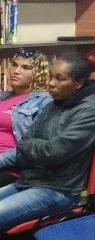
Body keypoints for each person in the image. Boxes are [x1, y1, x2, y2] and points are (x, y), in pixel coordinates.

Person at [0, 52, 95, 230]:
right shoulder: (54, 103)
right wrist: (36, 147)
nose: (50, 83)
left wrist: (33, 147)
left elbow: (54, 152)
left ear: (78, 84)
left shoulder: (90, 111)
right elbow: (25, 142)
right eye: (50, 76)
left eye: (59, 79)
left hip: (59, 190)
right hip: (31, 180)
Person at [0, 49, 53, 187]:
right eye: (14, 65)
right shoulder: (3, 97)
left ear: (38, 73)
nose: (16, 71)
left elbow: (34, 146)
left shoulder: (43, 101)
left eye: (25, 67)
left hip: (12, 169)